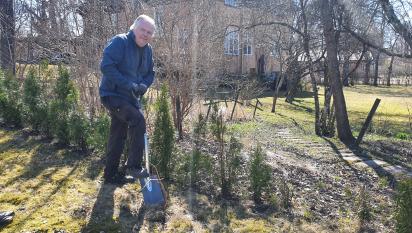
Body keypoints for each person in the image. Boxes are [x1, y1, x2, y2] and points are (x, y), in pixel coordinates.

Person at [99, 15, 155, 184]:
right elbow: (106, 66)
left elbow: (150, 73)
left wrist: (144, 85)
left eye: (149, 32)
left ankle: (110, 175)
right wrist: (128, 84)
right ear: (134, 28)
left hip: (130, 99)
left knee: (118, 135)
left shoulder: (148, 49)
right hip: (113, 95)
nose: (145, 34)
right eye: (142, 30)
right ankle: (133, 166)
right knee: (138, 120)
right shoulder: (120, 42)